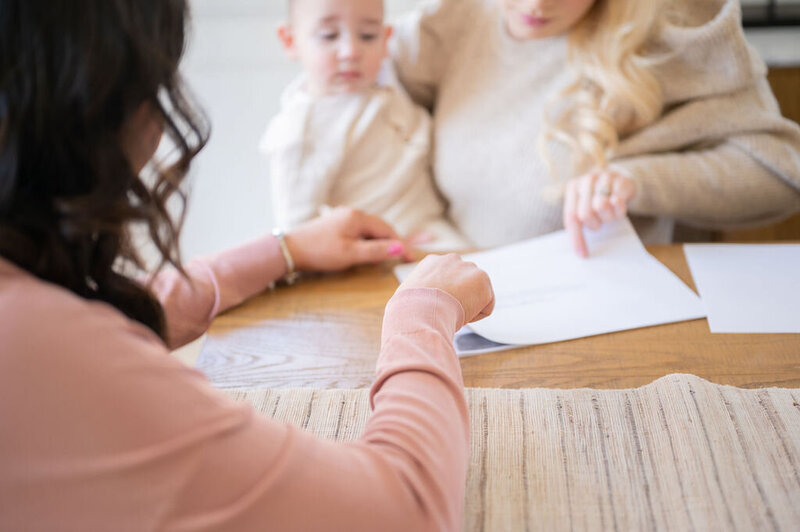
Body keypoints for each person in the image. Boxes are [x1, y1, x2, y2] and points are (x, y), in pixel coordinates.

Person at [0, 1, 495, 530]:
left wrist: (287, 249)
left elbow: (113, 307)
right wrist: (423, 315)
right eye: (158, 81)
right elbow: (405, 511)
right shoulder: (34, 343)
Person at [390, 0, 800, 256]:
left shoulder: (672, 29)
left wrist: (635, 180)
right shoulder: (447, 24)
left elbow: (782, 172)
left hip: (597, 324)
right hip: (457, 297)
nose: (536, 4)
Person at [260, 0, 469, 251]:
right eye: (329, 36)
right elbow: (298, 232)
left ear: (385, 40)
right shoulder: (299, 132)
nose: (350, 51)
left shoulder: (385, 84)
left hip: (437, 231)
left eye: (368, 36)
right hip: (379, 255)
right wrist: (376, 246)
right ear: (290, 41)